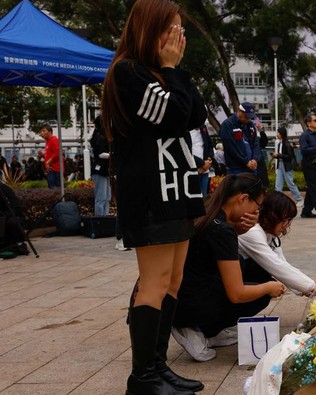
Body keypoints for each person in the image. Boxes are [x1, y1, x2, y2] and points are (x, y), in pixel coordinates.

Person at [100, 0, 208, 393]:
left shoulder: (161, 73)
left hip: (177, 188)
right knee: (154, 281)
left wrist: (172, 70)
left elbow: (195, 114)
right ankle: (142, 376)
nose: (177, 38)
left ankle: (158, 366)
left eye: (181, 30)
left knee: (174, 279)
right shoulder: (128, 73)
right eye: (171, 29)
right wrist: (170, 70)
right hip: (150, 193)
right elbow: (173, 115)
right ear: (150, 30)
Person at [172, 174, 285, 362]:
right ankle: (189, 326)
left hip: (180, 292)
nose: (257, 213)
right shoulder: (221, 230)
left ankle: (210, 330)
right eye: (257, 207)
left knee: (258, 270)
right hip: (188, 302)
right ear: (243, 198)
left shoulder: (208, 207)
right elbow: (237, 294)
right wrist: (268, 288)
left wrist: (239, 230)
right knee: (262, 291)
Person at [239, 190, 316, 298]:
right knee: (268, 284)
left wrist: (313, 289)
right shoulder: (252, 232)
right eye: (285, 220)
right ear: (272, 216)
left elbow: (282, 264)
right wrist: (313, 288)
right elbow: (275, 266)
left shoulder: (270, 235)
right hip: (228, 284)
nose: (287, 225)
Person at [219, 102, 259, 175]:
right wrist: (245, 161)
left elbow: (255, 143)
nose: (248, 119)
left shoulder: (250, 126)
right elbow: (231, 147)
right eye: (246, 116)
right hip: (236, 168)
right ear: (239, 111)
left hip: (251, 167)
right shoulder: (228, 125)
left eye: (250, 117)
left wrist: (254, 159)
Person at [271, 126, 303, 206]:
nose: (277, 134)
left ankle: (299, 199)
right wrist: (275, 158)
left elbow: (289, 157)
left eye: (278, 132)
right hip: (280, 165)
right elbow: (280, 156)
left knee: (290, 184)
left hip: (287, 166)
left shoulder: (287, 144)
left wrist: (278, 155)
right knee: (278, 185)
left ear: (281, 134)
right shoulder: (279, 144)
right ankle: (277, 201)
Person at [90, 116, 111, 216]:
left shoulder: (102, 136)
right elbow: (100, 154)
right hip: (100, 171)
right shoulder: (99, 137)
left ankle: (105, 220)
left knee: (107, 197)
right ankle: (100, 221)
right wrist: (114, 156)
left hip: (105, 171)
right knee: (101, 198)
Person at [190, 124, 214, 196]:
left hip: (205, 170)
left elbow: (210, 144)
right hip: (192, 169)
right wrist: (202, 163)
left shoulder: (203, 127)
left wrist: (209, 158)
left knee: (204, 198)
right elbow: (185, 151)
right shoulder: (184, 129)